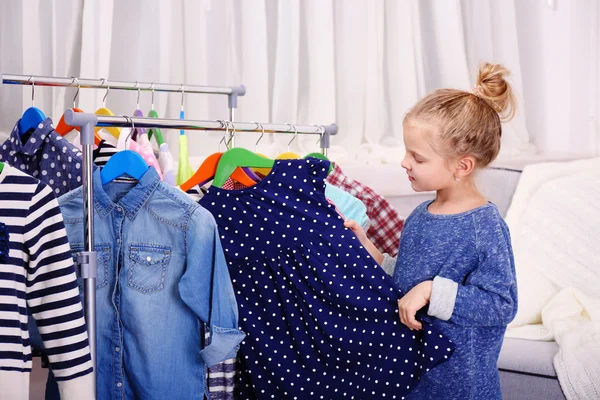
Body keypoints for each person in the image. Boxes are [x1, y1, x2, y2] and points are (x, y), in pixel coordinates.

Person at [344, 62, 518, 399]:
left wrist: (430, 291)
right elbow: (408, 281)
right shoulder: (420, 216)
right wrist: (372, 252)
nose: (404, 162)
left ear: (462, 165)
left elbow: (501, 305)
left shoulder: (485, 226)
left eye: (418, 157)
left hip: (460, 386)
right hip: (413, 377)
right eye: (406, 152)